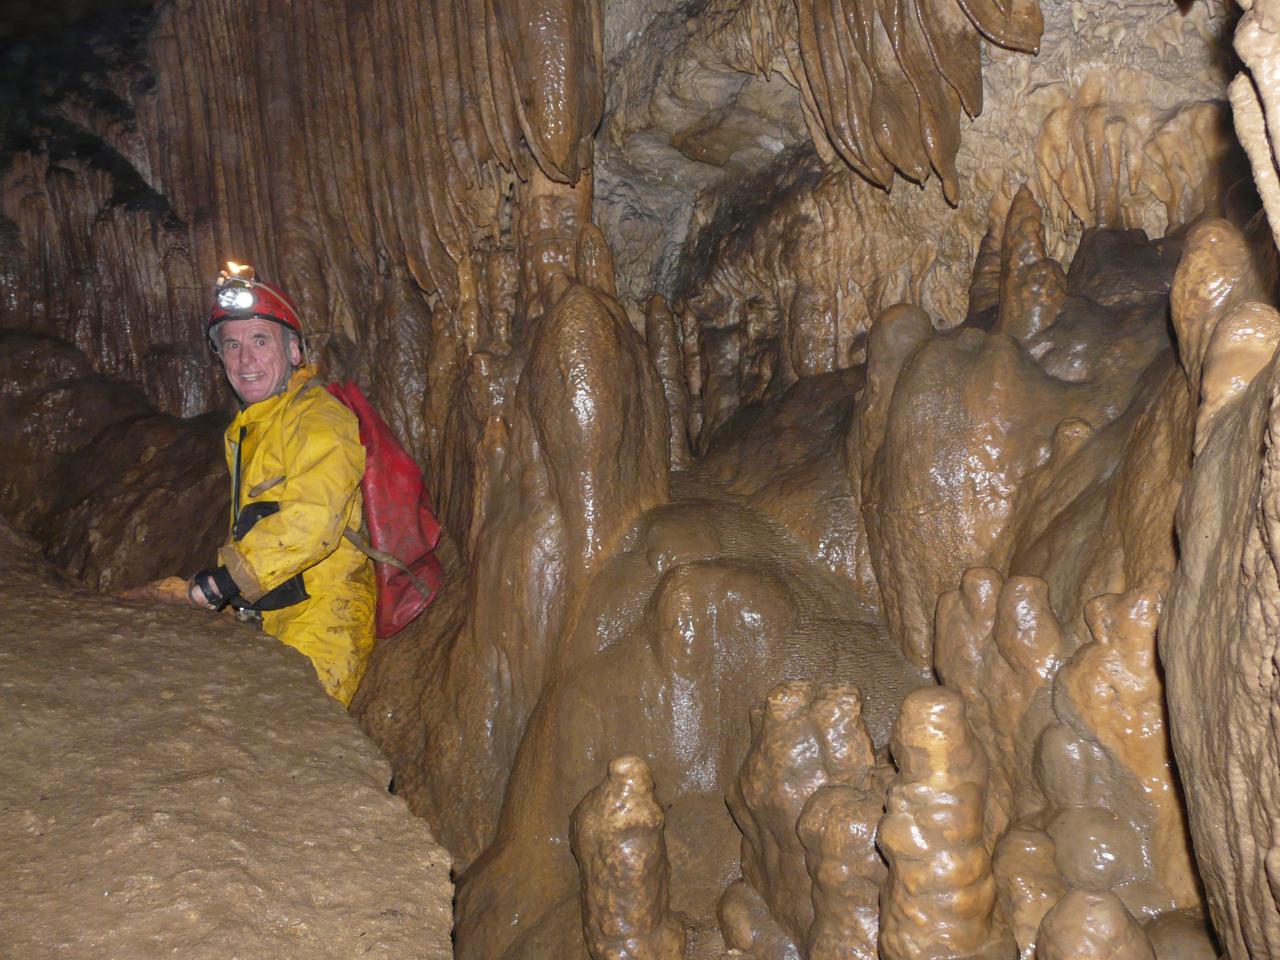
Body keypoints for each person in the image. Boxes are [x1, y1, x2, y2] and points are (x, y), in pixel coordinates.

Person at [187, 264, 376, 706]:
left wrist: (223, 583)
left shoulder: (318, 419)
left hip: (322, 621)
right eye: (232, 345)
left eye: (259, 341)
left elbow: (312, 521)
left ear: (293, 353)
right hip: (268, 615)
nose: (244, 359)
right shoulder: (252, 428)